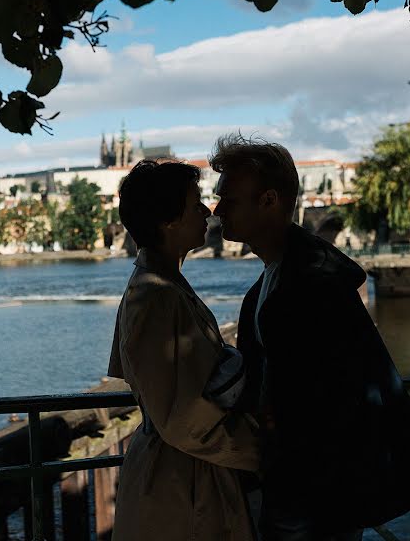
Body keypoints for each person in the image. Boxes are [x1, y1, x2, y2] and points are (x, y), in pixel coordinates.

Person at [210, 134, 410, 541]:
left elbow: (330, 395)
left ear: (268, 201)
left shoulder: (311, 283)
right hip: (304, 484)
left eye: (228, 200)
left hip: (313, 489)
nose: (216, 211)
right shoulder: (281, 276)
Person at [107, 159, 260, 541]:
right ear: (168, 221)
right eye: (195, 204)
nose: (207, 211)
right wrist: (263, 450)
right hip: (180, 484)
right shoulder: (157, 296)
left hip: (182, 473)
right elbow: (182, 419)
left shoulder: (158, 285)